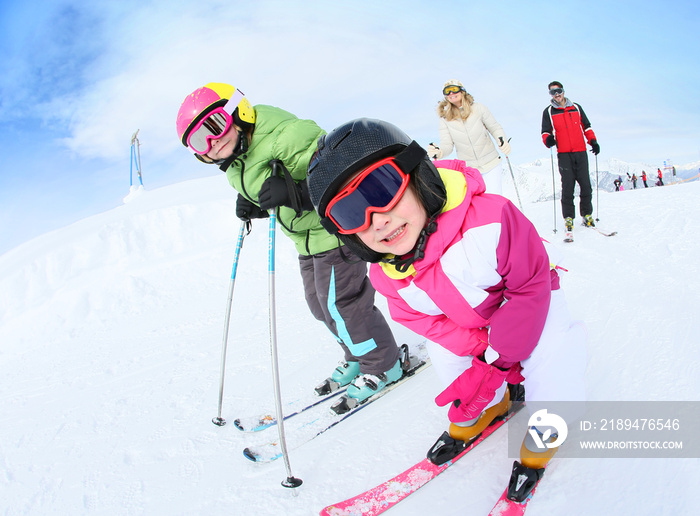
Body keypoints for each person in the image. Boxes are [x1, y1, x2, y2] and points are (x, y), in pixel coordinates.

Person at [307, 118, 586, 503]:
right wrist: (481, 355)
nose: (377, 219)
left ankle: (546, 434)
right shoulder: (388, 276)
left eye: (382, 188)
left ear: (418, 176)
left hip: (533, 304)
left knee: (555, 356)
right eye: (352, 215)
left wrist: (503, 358)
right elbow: (424, 322)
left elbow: (529, 288)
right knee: (449, 359)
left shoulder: (493, 219)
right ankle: (482, 411)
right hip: (474, 328)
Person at [175, 83, 403, 403]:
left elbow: (343, 178)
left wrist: (296, 193)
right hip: (306, 241)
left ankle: (384, 364)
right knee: (320, 306)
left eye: (214, 126)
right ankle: (357, 355)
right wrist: (256, 204)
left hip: (334, 231)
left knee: (342, 304)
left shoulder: (287, 136)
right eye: (199, 141)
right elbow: (269, 187)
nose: (212, 143)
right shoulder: (236, 162)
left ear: (237, 112)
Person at [427, 80, 511, 195]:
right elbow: (447, 145)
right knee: (478, 205)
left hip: (491, 163)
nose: (451, 93)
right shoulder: (445, 119)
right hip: (470, 170)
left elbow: (495, 128)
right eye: (447, 91)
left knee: (494, 199)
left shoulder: (478, 108)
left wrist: (502, 141)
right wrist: (439, 152)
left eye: (454, 89)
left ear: (462, 91)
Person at [541, 81, 600, 235]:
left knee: (586, 184)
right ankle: (568, 217)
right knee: (568, 186)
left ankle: (587, 215)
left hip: (580, 152)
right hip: (564, 154)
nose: (556, 94)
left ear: (563, 91)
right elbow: (545, 132)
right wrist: (548, 140)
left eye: (558, 91)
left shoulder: (577, 108)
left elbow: (586, 126)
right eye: (553, 92)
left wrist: (593, 141)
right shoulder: (548, 112)